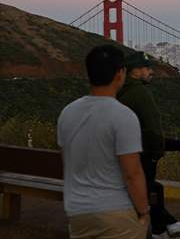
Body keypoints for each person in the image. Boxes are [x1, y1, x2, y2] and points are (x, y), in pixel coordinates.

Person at [57, 45, 149, 239]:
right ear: (120, 74)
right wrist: (143, 211)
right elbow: (132, 174)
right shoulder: (124, 116)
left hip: (77, 211)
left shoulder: (67, 112)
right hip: (116, 213)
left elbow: (68, 162)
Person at [117, 51, 180, 239]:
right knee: (152, 189)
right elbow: (153, 127)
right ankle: (160, 231)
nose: (151, 71)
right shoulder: (139, 92)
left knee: (153, 188)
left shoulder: (121, 91)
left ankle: (169, 224)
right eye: (147, 68)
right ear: (135, 71)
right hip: (141, 155)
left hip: (125, 153)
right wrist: (157, 153)